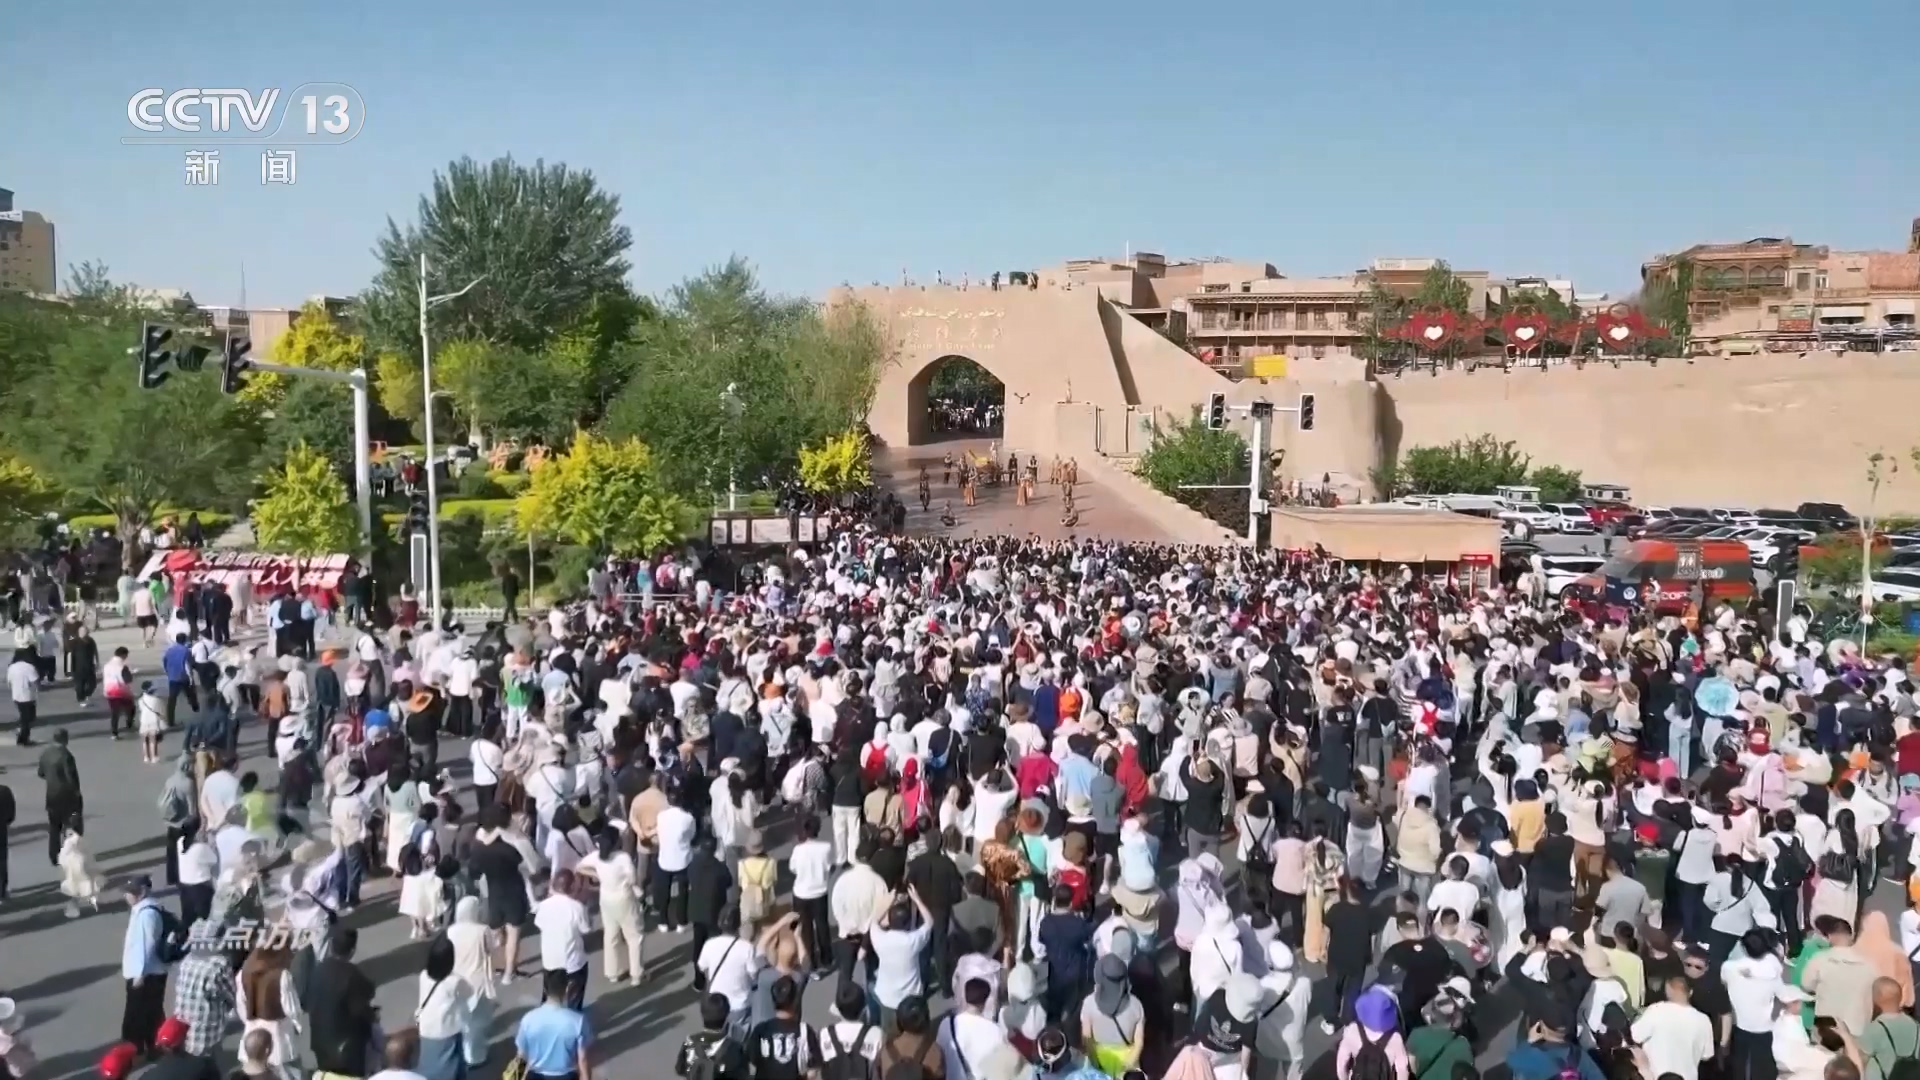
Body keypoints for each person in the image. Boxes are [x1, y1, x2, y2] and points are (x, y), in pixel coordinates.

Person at [515, 970, 595, 1080]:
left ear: (545, 990)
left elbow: (521, 1056)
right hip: (566, 1076)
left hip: (535, 1076)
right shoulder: (578, 1021)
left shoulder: (528, 1019)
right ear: (567, 989)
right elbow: (583, 1059)